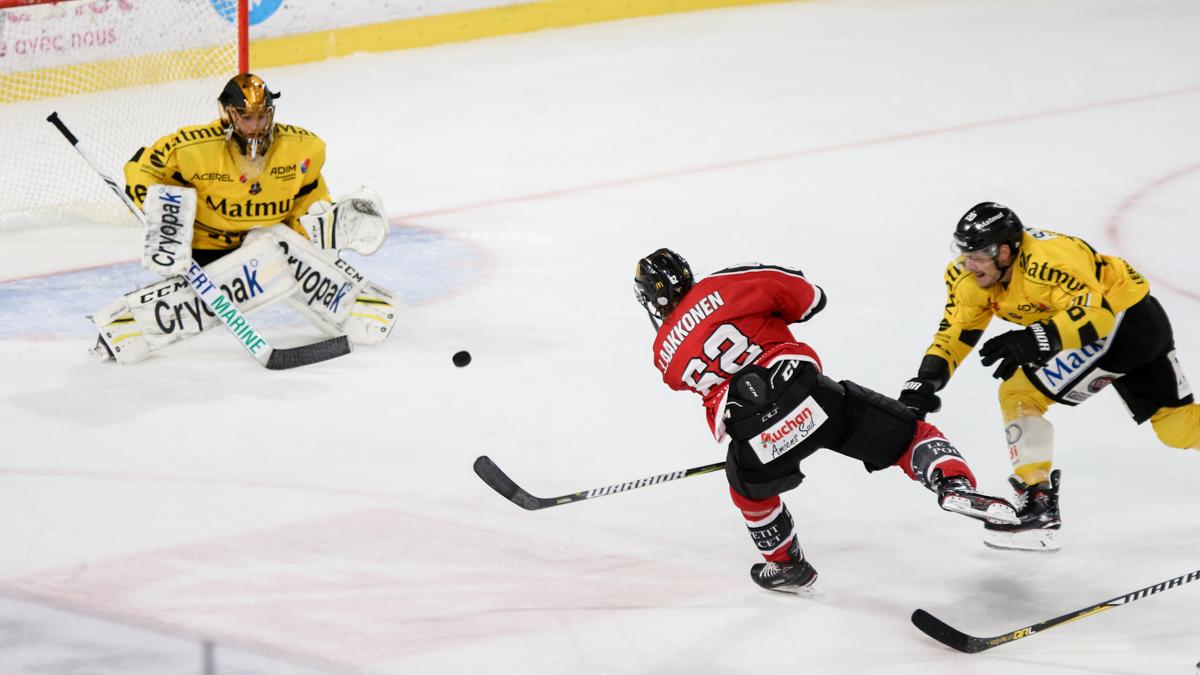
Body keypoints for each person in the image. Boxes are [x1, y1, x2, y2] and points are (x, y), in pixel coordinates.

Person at [634, 248, 1017, 594]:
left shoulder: (662, 353)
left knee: (748, 490)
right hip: (808, 395)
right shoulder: (725, 285)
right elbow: (809, 298)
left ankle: (786, 565)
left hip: (754, 433)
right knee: (910, 435)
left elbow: (691, 375)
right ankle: (952, 483)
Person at [898, 202, 1198, 552]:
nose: (968, 264)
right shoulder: (969, 277)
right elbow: (956, 331)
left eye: (977, 256)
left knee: (1019, 393)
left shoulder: (1050, 260)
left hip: (1119, 325)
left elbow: (1097, 316)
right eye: (964, 254)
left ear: (1004, 252)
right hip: (1138, 321)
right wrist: (926, 381)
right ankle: (1038, 498)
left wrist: (1035, 339)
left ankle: (1038, 501)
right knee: (1178, 428)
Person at [91, 73, 399, 364]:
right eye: (246, 117)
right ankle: (129, 328)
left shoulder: (301, 148)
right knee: (227, 280)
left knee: (274, 248)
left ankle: (354, 307)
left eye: (262, 116)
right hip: (205, 246)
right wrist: (158, 209)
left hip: (261, 242)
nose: (255, 126)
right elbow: (143, 168)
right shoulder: (192, 146)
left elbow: (308, 199)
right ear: (228, 114)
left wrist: (320, 230)